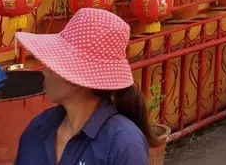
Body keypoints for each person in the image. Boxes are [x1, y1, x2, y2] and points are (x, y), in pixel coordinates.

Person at [14, 9, 156, 165]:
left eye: (54, 63)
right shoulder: (38, 129)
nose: (45, 70)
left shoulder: (123, 143)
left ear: (75, 79)